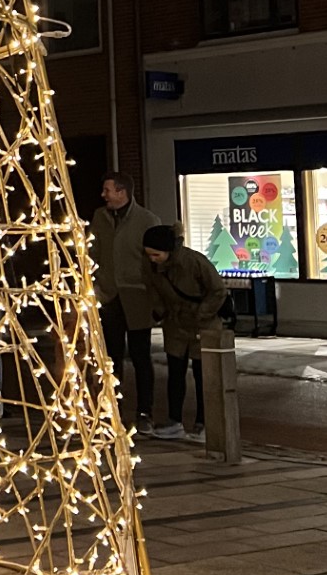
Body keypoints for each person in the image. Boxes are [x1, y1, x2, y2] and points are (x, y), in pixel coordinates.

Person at [142, 224, 226, 441]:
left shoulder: (194, 262)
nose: (152, 259)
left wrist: (201, 314)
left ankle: (204, 423)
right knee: (176, 373)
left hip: (203, 324)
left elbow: (217, 290)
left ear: (168, 250)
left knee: (203, 374)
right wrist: (159, 311)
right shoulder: (152, 267)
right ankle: (174, 420)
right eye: (149, 254)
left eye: (156, 254)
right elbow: (153, 291)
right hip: (175, 324)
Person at [91, 172, 160, 429]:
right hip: (109, 295)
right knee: (111, 356)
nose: (104, 195)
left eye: (108, 190)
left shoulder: (146, 220)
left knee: (141, 355)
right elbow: (93, 250)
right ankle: (111, 408)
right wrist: (96, 281)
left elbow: (153, 261)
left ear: (122, 192)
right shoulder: (101, 217)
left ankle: (145, 411)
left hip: (136, 296)